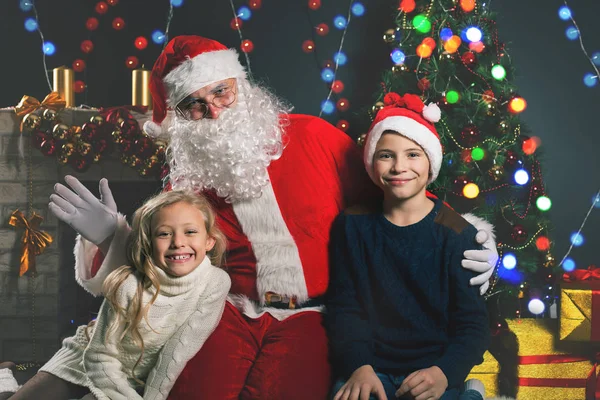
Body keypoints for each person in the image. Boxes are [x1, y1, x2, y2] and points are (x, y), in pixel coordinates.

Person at [31, 36, 496, 399]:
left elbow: (396, 188)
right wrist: (114, 238)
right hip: (228, 310)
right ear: (179, 114)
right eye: (194, 103)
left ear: (241, 86)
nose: (212, 110)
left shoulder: (315, 137)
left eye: (220, 92)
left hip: (313, 315)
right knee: (189, 391)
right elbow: (165, 258)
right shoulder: (188, 179)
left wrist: (470, 235)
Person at [326, 93, 490, 400]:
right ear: (372, 162)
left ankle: (467, 392)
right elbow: (344, 308)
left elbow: (473, 324)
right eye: (386, 155)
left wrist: (445, 373)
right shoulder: (352, 225)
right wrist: (359, 366)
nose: (399, 166)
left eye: (413, 154)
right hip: (372, 367)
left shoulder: (456, 234)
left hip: (434, 369)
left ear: (431, 164)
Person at [0, 190, 230, 400]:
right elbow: (98, 357)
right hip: (84, 359)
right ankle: (5, 380)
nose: (178, 243)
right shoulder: (128, 285)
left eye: (190, 232)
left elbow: (176, 354)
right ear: (149, 242)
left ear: (209, 240)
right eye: (164, 234)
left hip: (130, 379)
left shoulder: (215, 283)